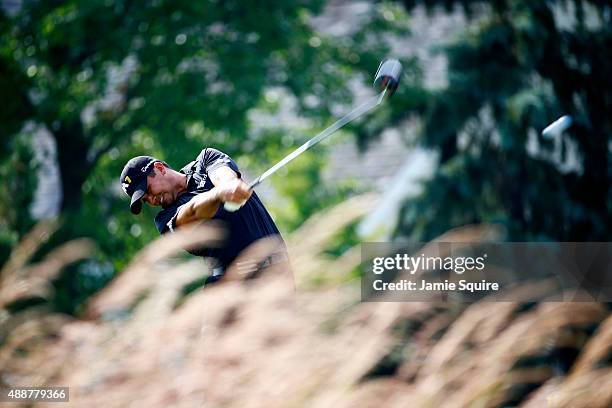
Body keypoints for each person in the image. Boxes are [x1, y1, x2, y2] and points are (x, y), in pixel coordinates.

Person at [119, 148, 286, 284]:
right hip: (229, 287)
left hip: (276, 273)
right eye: (145, 200)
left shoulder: (206, 159)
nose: (150, 199)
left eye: (147, 191)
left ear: (160, 168)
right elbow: (193, 212)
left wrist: (229, 184)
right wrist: (218, 194)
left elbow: (222, 174)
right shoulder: (164, 219)